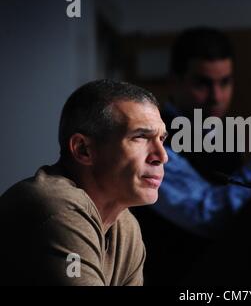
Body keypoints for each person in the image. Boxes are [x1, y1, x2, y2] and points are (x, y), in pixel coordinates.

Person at [131, 27, 251, 284]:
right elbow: (209, 214)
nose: (216, 97)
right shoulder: (154, 140)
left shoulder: (219, 134)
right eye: (203, 83)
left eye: (225, 82)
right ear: (174, 81)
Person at [0, 79, 168, 285]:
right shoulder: (59, 209)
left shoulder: (125, 226)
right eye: (140, 136)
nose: (161, 156)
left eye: (162, 139)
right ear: (83, 149)